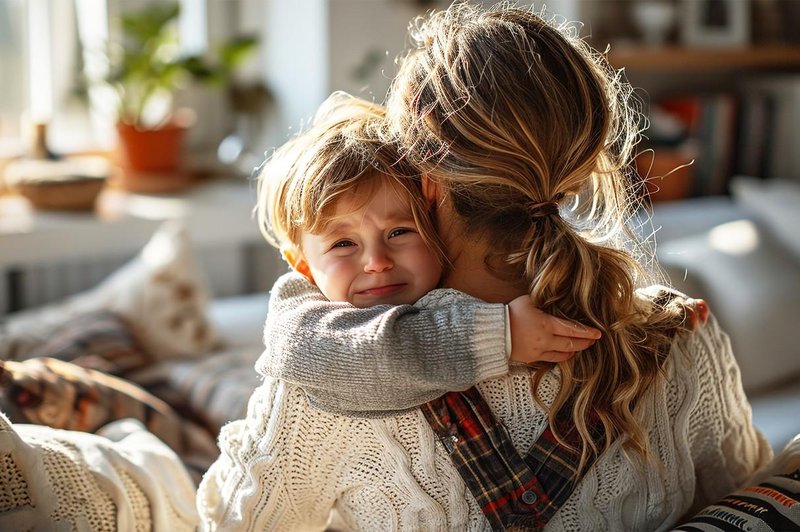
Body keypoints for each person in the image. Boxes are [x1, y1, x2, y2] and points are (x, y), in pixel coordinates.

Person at [198, 4, 773, 530]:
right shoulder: (682, 341)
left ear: (422, 179)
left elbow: (230, 523)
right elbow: (750, 504)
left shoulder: (326, 382)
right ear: (577, 161)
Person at [254, 91, 600, 412]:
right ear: (303, 265)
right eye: (343, 244)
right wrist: (501, 334)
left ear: (436, 223)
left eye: (399, 231)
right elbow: (356, 358)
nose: (377, 262)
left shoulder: (458, 288)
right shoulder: (300, 311)